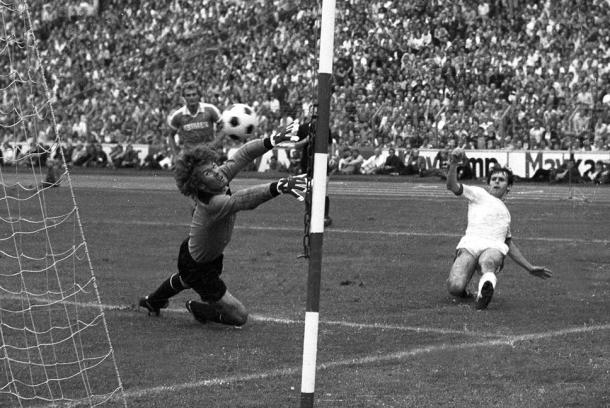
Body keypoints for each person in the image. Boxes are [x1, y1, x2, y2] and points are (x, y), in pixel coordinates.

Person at [138, 122, 307, 326]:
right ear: (200, 184)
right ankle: (199, 309)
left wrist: (271, 140)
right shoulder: (211, 204)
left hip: (200, 255)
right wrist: (278, 187)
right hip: (199, 266)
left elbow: (243, 153)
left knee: (185, 279)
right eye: (208, 173)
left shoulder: (218, 178)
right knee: (239, 316)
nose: (217, 172)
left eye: (213, 166)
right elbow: (242, 200)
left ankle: (153, 301)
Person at [445, 148, 552, 310]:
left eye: (501, 180)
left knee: (488, 261)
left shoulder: (506, 214)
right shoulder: (478, 194)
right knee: (454, 287)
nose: (496, 181)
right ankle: (465, 292)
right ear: (489, 183)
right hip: (470, 245)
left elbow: (508, 243)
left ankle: (484, 294)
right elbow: (452, 185)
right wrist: (453, 164)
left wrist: (529, 267)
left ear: (508, 187)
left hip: (493, 247)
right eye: (493, 179)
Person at [166, 81, 223, 162]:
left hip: (208, 156)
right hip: (188, 157)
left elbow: (223, 128)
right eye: (188, 95)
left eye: (194, 94)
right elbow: (171, 135)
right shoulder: (177, 115)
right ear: (184, 97)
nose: (191, 97)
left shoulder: (210, 109)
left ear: (199, 95)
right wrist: (176, 155)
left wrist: (214, 144)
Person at [296, 105, 333, 227]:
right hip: (307, 163)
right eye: (313, 111)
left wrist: (331, 157)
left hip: (322, 162)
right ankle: (309, 214)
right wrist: (306, 140)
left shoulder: (325, 128)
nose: (315, 114)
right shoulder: (302, 128)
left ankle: (324, 216)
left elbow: (329, 144)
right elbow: (296, 146)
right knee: (309, 189)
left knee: (324, 188)